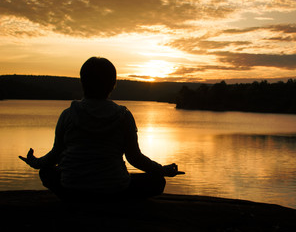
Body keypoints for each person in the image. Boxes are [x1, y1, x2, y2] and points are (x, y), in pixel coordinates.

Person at [19, 57, 184, 202]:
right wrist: (162, 170)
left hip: (72, 191)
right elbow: (134, 158)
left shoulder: (68, 115)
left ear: (82, 82)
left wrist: (35, 162)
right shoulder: (123, 116)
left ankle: (79, 201)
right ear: (113, 84)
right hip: (114, 191)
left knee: (46, 172)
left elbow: (55, 155)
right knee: (158, 181)